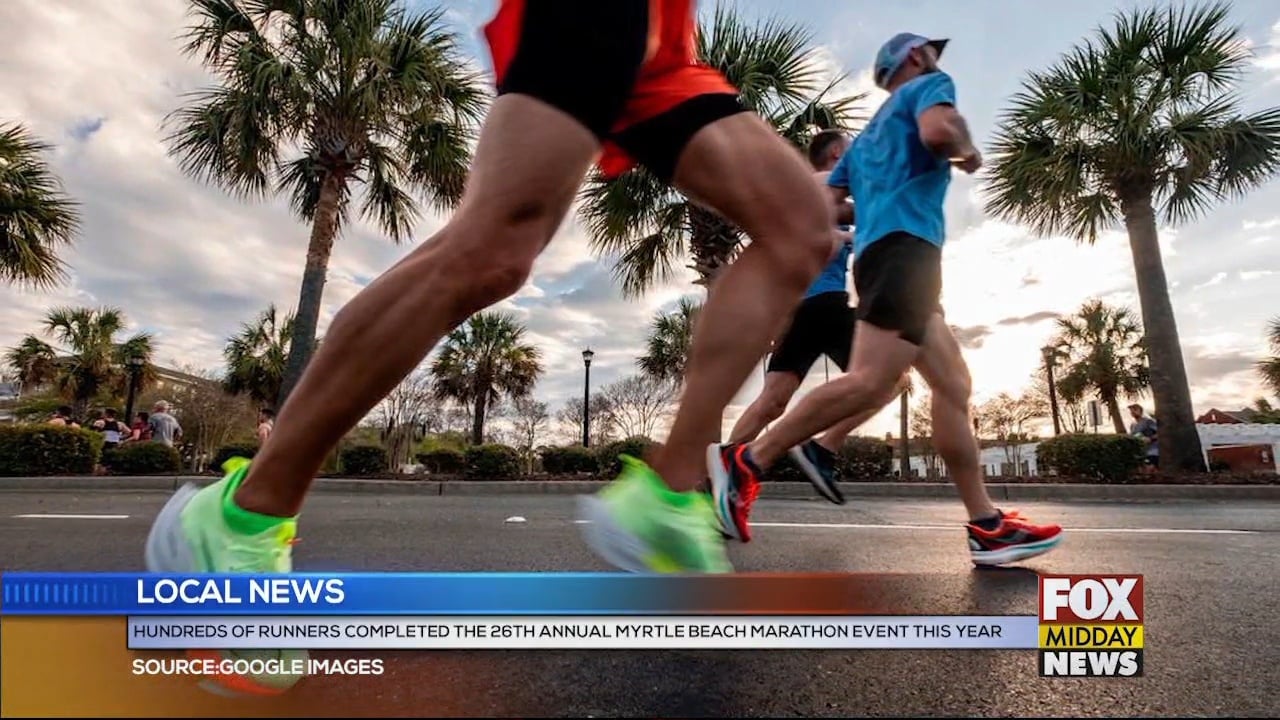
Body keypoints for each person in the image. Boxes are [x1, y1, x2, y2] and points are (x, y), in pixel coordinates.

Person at [145, 0, 838, 689]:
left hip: (668, 42)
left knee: (800, 226)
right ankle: (243, 518)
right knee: (494, 250)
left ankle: (668, 492)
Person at [708, 32, 1063, 566]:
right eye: (931, 54)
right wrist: (967, 151)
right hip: (905, 253)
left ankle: (986, 524)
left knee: (952, 384)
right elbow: (941, 131)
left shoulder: (867, 141)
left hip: (893, 258)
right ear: (916, 58)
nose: (936, 60)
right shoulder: (929, 87)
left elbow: (821, 209)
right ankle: (748, 462)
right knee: (871, 381)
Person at [719, 129, 907, 541]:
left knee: (771, 402)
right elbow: (869, 213)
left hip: (803, 310)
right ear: (837, 154)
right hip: (825, 306)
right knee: (892, 380)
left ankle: (721, 475)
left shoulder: (814, 194)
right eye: (852, 149)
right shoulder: (823, 186)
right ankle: (823, 446)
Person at [1128, 404, 1158, 472]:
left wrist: (1150, 439)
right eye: (1131, 410)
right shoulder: (1133, 425)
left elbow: (1159, 433)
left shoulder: (1148, 421)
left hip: (1152, 451)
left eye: (1135, 410)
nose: (1133, 412)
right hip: (1139, 452)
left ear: (1141, 411)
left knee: (1149, 469)